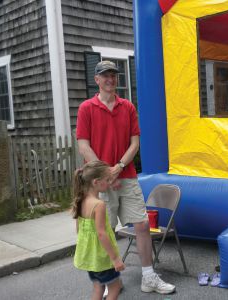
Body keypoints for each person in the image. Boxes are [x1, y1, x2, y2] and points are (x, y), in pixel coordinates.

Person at [76, 61, 175, 294]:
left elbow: (134, 143)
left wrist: (118, 167)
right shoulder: (86, 108)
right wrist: (105, 174)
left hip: (127, 176)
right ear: (97, 80)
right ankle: (110, 281)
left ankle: (148, 277)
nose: (110, 79)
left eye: (113, 75)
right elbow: (83, 146)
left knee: (142, 225)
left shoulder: (128, 107)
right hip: (99, 182)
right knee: (105, 229)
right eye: (105, 75)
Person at [72, 160, 125, 300]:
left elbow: (79, 229)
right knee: (115, 287)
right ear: (96, 182)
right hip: (102, 258)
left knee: (98, 287)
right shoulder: (98, 204)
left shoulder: (80, 200)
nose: (109, 183)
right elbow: (101, 234)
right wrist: (115, 259)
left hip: (91, 257)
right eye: (107, 180)